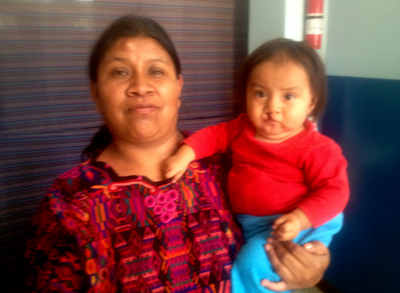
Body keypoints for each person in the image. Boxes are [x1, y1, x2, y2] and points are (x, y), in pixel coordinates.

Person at [25, 15, 331, 292]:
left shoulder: (228, 163)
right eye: (120, 72)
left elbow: (292, 223)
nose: (141, 86)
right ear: (95, 91)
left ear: (178, 85)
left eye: (156, 71)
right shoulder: (68, 203)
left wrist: (307, 268)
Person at [165, 38, 350, 293]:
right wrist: (185, 154)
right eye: (261, 93)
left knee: (252, 261)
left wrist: (300, 218)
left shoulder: (317, 148)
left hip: (295, 222)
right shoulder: (241, 128)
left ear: (311, 102)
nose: (272, 107)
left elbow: (335, 192)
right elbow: (212, 136)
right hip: (255, 224)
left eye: (289, 96)